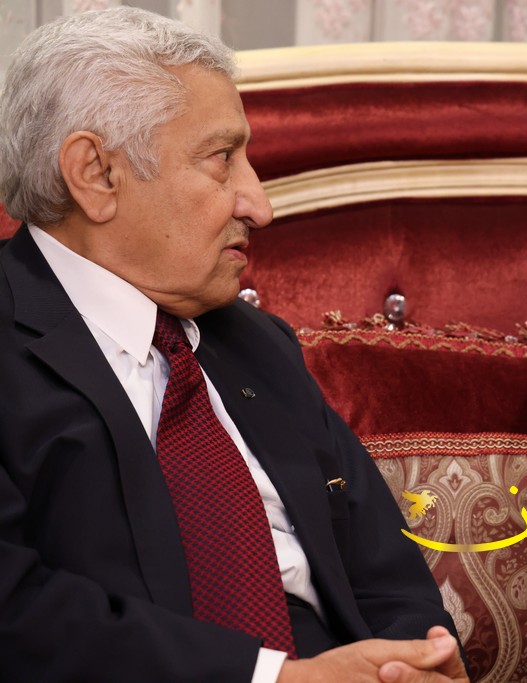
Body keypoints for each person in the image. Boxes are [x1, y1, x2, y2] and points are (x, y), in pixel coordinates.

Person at [0, 8, 468, 683]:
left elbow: (388, 579)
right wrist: (274, 679)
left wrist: (418, 662)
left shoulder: (259, 346)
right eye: (222, 160)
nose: (259, 205)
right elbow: (16, 612)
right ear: (96, 173)